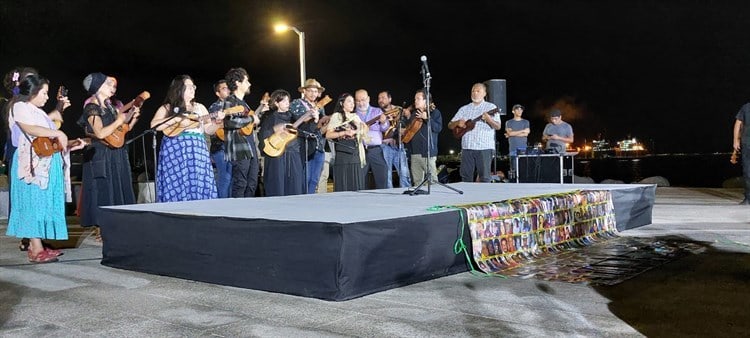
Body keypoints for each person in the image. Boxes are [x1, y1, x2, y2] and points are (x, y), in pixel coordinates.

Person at [6, 74, 85, 262]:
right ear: (32, 92)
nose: (46, 97)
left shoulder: (39, 112)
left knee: (42, 202)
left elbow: (49, 141)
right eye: (44, 93)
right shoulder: (19, 107)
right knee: (32, 202)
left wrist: (72, 144)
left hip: (46, 161)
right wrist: (57, 132)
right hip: (31, 163)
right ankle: (35, 248)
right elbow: (30, 129)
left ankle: (39, 244)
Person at [78, 73, 138, 237]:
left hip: (116, 152)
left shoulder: (110, 107)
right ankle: (103, 229)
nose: (112, 87)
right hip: (101, 154)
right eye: (107, 84)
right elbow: (100, 132)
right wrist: (119, 120)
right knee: (104, 191)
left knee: (118, 187)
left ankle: (118, 226)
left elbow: (118, 131)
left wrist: (131, 120)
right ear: (97, 88)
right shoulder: (91, 108)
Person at [150, 75, 220, 202]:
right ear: (179, 89)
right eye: (189, 87)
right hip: (175, 149)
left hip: (197, 150)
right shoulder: (168, 107)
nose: (193, 89)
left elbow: (208, 129)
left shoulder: (200, 107)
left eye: (193, 86)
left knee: (197, 179)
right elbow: (154, 125)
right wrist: (176, 119)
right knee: (176, 179)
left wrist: (218, 123)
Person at [448, 83, 501, 182]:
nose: (475, 93)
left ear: (484, 93)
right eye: (473, 91)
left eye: (478, 91)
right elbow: (450, 125)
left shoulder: (491, 107)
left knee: (485, 177)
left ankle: (485, 197)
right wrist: (457, 122)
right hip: (467, 147)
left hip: (484, 147)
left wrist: (489, 119)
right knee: (465, 177)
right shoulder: (464, 108)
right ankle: (467, 197)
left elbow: (498, 126)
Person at [258, 89, 308, 196]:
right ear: (276, 103)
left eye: (288, 101)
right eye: (284, 101)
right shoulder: (270, 117)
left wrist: (314, 119)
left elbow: (304, 131)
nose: (287, 103)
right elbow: (263, 135)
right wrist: (276, 129)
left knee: (295, 186)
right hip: (277, 156)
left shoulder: (292, 116)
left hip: (293, 154)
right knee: (277, 185)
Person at [223, 67, 261, 198]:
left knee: (252, 183)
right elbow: (229, 122)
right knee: (240, 183)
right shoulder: (230, 101)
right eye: (246, 81)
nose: (249, 84)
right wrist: (251, 119)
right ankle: (237, 214)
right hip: (238, 147)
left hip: (250, 146)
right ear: (238, 83)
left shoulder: (244, 104)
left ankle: (248, 211)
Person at [289, 78, 327, 194]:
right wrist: (313, 117)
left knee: (315, 179)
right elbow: (298, 119)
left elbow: (321, 125)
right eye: (310, 91)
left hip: (319, 145)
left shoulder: (320, 106)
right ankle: (303, 199)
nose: (313, 94)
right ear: (304, 91)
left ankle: (310, 198)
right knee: (306, 177)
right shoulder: (297, 103)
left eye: (315, 91)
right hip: (304, 143)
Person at [325, 93, 367, 191]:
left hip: (355, 153)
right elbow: (328, 135)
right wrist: (344, 132)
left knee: (356, 184)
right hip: (343, 154)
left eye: (353, 102)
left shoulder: (355, 117)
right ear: (341, 103)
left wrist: (362, 129)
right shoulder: (337, 116)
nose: (352, 104)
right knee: (344, 183)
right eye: (349, 101)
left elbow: (362, 133)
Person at [404, 89, 441, 184]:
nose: (415, 101)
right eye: (415, 99)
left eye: (418, 98)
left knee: (433, 182)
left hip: (428, 153)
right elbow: (410, 130)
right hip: (414, 153)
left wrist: (427, 118)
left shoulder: (435, 113)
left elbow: (437, 128)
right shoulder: (414, 114)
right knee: (417, 182)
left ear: (426, 101)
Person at [354, 89, 389, 189]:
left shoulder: (377, 111)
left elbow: (385, 128)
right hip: (360, 151)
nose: (361, 103)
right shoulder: (353, 115)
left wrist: (383, 122)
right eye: (358, 100)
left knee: (381, 177)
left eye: (363, 100)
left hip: (375, 150)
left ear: (368, 99)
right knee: (360, 180)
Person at [377, 90, 411, 188]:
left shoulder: (399, 110)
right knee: (387, 175)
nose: (380, 100)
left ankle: (407, 194)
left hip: (399, 145)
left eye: (383, 98)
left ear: (390, 99)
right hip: (385, 146)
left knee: (404, 173)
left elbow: (407, 126)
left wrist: (408, 117)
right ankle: (389, 196)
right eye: (379, 98)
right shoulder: (377, 112)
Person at [207, 80, 232, 198]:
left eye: (228, 87)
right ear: (217, 93)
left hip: (232, 146)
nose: (228, 89)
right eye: (224, 88)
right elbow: (213, 126)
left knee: (232, 177)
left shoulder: (234, 105)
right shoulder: (215, 107)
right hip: (220, 146)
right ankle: (222, 203)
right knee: (225, 176)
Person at [505, 104, 530, 179]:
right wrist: (522, 131)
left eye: (521, 109)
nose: (520, 111)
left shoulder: (526, 122)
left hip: (523, 149)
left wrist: (512, 134)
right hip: (513, 149)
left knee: (523, 169)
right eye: (517, 109)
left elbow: (526, 134)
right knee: (513, 169)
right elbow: (510, 133)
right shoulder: (509, 122)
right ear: (513, 111)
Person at [733, 102, 750, 205]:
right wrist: (735, 140)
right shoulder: (746, 107)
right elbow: (738, 123)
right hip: (747, 143)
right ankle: (748, 198)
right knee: (747, 171)